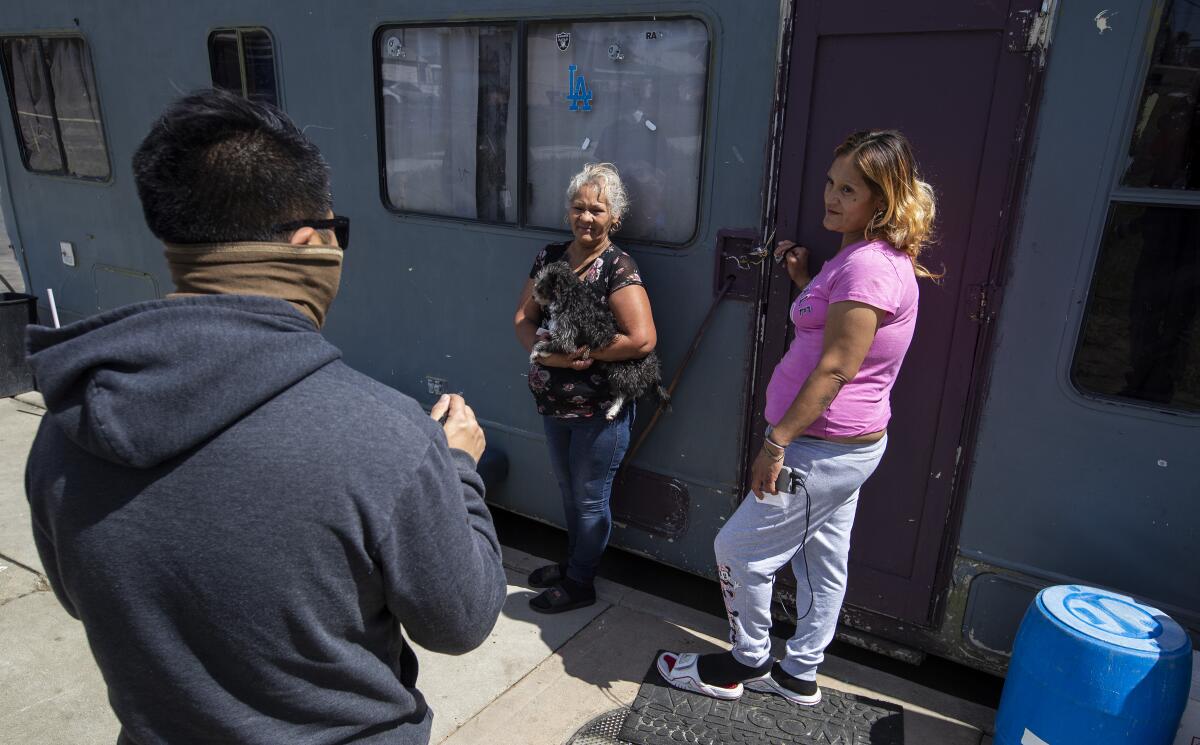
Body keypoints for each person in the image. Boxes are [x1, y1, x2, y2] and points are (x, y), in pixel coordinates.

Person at [23, 89, 507, 744]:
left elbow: (81, 598)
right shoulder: (388, 437)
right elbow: (463, 618)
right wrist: (457, 469)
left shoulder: (66, 427)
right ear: (310, 243)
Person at [657, 130, 937, 705]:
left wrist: (777, 442)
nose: (831, 199)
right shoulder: (864, 257)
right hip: (843, 448)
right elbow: (838, 328)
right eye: (831, 184)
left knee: (738, 551)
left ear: (881, 201)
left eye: (849, 190)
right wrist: (807, 282)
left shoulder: (868, 268)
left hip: (819, 445)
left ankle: (746, 661)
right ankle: (800, 673)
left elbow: (836, 368)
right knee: (823, 561)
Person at [513, 162, 659, 614]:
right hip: (553, 404)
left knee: (590, 497)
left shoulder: (617, 266)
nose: (587, 217)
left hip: (600, 411)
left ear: (615, 217)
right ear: (567, 213)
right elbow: (524, 319)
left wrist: (585, 355)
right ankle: (574, 562)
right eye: (579, 207)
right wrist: (542, 356)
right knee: (567, 489)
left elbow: (642, 339)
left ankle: (581, 582)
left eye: (598, 209)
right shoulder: (550, 258)